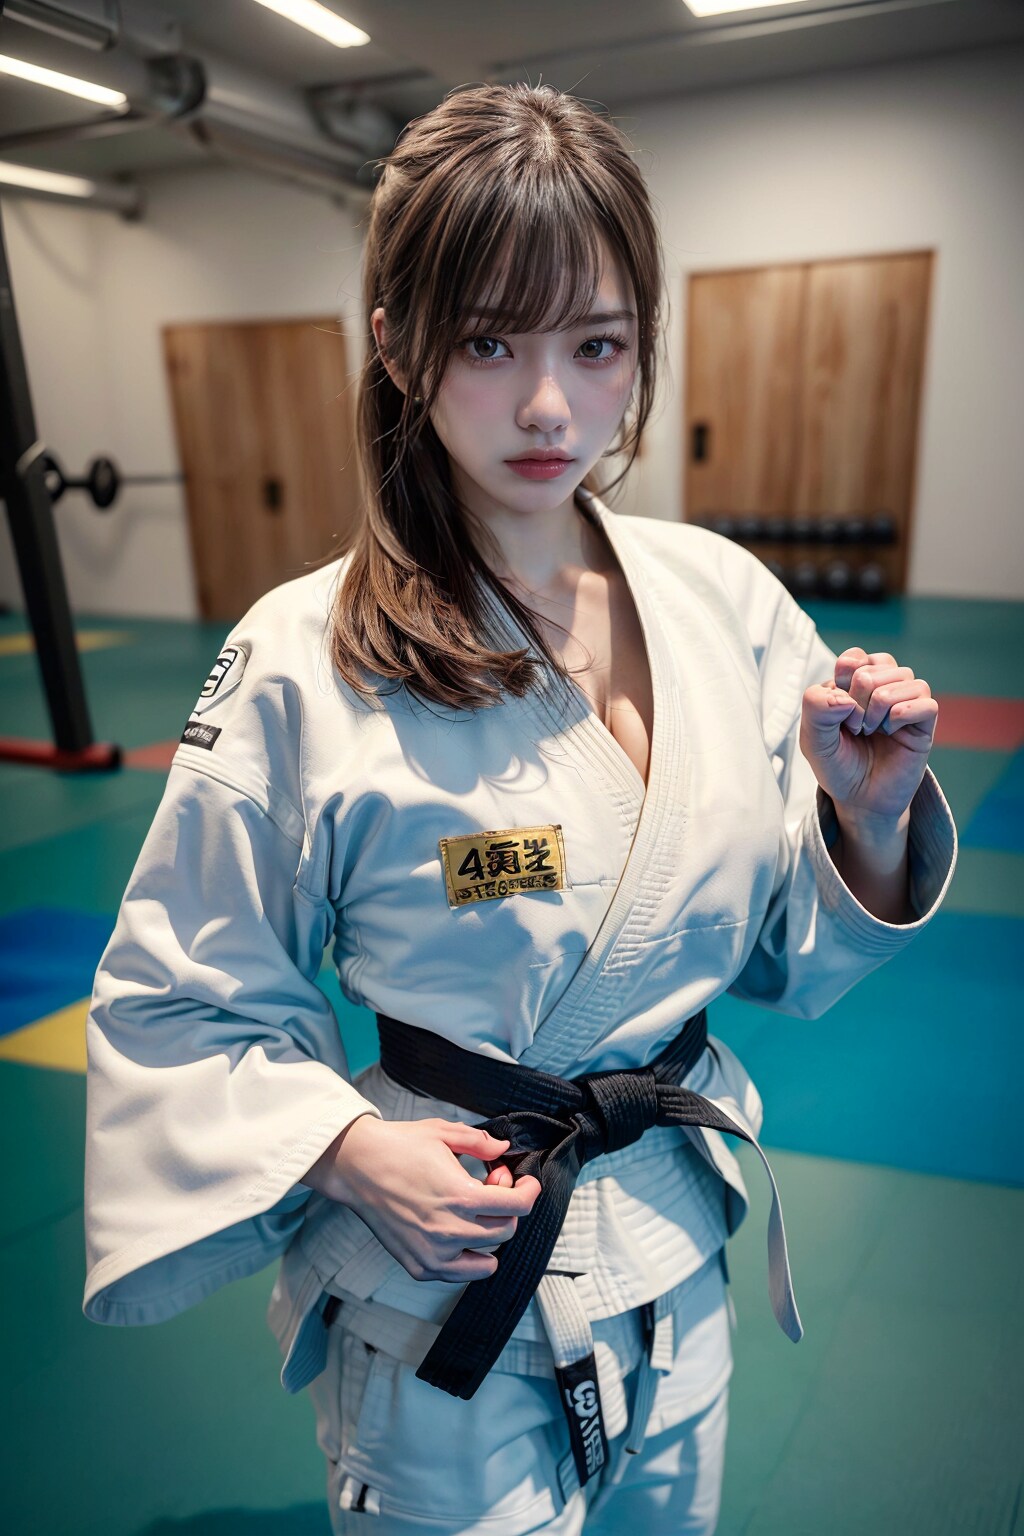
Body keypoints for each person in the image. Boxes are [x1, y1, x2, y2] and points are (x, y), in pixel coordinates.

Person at [83, 83, 957, 1536]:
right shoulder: (302, 655)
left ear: (641, 349)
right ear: (397, 343)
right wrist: (347, 1150)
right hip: (444, 1280)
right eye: (490, 342)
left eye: (596, 345)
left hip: (675, 1244)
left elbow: (781, 951)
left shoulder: (727, 604)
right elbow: (178, 995)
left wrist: (863, 821)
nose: (550, 405)